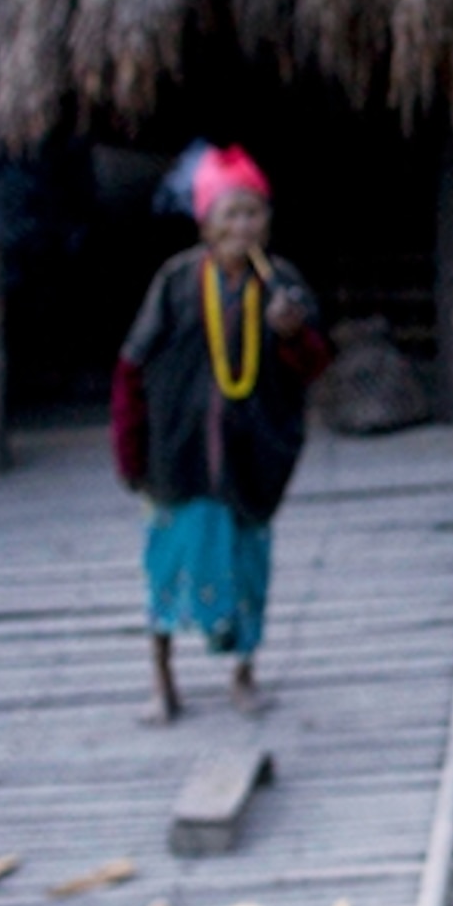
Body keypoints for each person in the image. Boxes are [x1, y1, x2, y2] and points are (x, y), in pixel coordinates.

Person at [112, 145, 329, 721]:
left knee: (246, 566)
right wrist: (128, 447)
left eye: (252, 214)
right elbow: (133, 364)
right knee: (167, 568)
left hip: (248, 457)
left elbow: (313, 364)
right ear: (206, 222)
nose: (242, 226)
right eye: (229, 215)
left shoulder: (282, 285)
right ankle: (162, 683)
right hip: (177, 458)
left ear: (268, 221)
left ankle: (243, 675)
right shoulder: (177, 281)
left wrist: (290, 334)